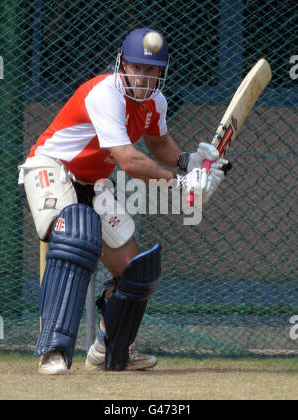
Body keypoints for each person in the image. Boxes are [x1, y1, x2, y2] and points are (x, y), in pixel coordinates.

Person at [18, 28, 231, 374]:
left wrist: (188, 161)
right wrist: (181, 184)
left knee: (136, 273)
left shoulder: (155, 102)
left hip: (91, 182)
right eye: (138, 68)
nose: (145, 77)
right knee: (76, 232)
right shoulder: (106, 94)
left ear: (162, 71)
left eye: (152, 70)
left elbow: (159, 144)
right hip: (51, 167)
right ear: (123, 65)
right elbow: (129, 161)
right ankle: (54, 350)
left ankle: (109, 347)